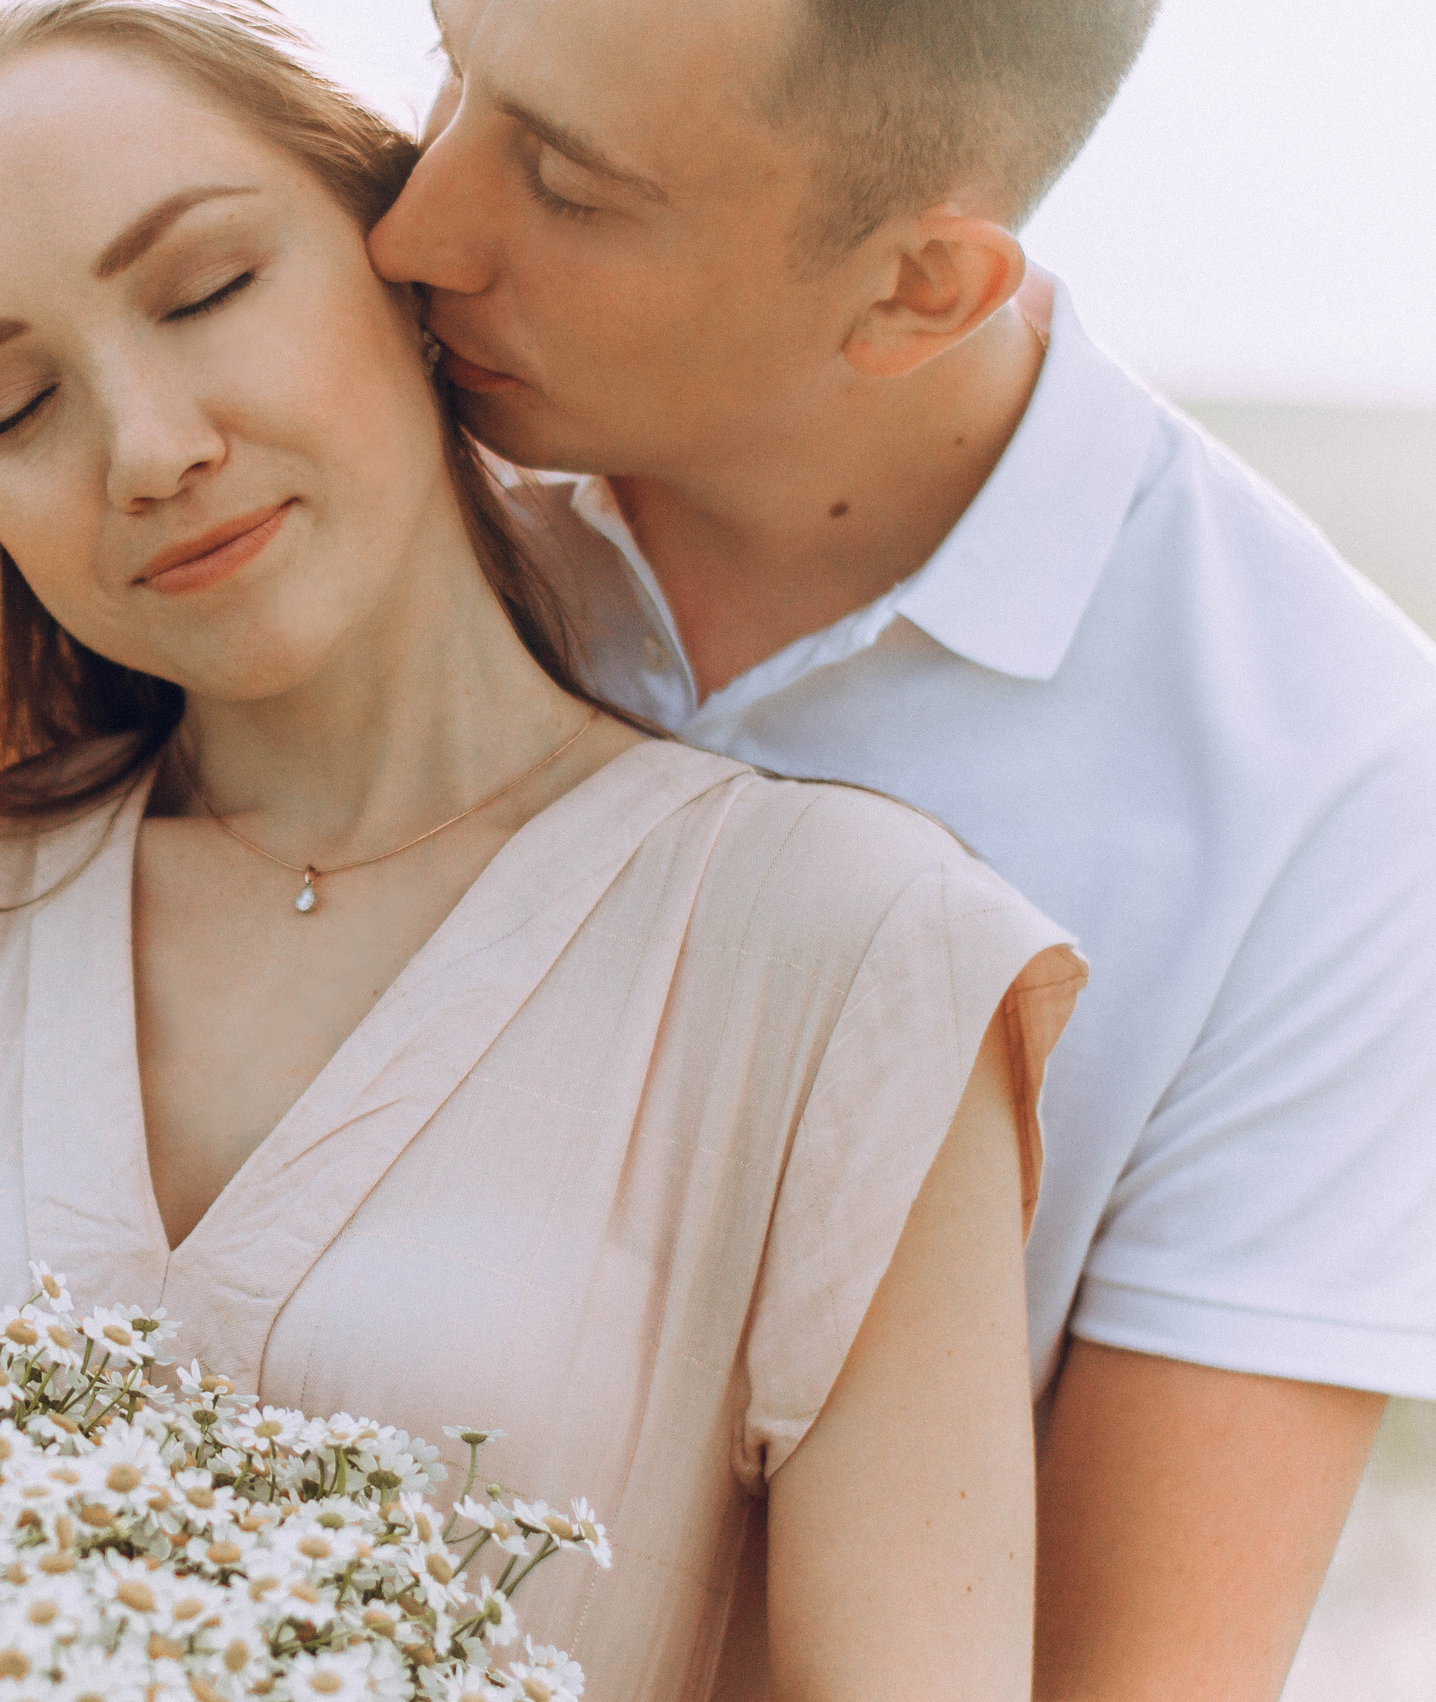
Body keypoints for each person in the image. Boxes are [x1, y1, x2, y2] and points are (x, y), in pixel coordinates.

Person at [0, 2, 1086, 1695]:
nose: (152, 448)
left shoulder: (845, 961)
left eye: (207, 291)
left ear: (397, 265)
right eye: (15, 407)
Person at [363, 1, 1436, 1696]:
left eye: (566, 180)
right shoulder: (313, 454)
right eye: (450, 63)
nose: (414, 220)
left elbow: (1132, 1672)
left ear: (918, 289)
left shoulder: (1331, 781)